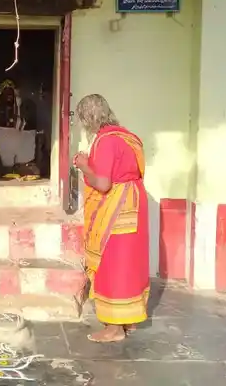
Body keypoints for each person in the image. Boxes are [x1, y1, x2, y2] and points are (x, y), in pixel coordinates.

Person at [72, 94, 150, 343]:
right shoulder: (127, 136)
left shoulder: (106, 141)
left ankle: (114, 329)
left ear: (87, 118)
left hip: (116, 209)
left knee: (112, 265)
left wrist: (83, 165)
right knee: (129, 264)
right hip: (134, 205)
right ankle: (128, 320)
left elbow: (104, 184)